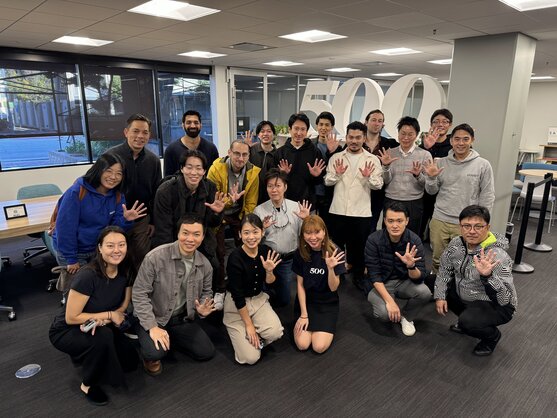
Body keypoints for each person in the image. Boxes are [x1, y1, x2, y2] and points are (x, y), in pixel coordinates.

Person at [49, 226, 138, 406]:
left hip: (101, 322)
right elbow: (71, 317)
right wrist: (109, 315)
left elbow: (123, 305)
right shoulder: (88, 275)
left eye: (121, 245)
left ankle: (85, 353)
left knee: (130, 363)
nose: (117, 250)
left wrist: (106, 319)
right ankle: (88, 384)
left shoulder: (127, 268)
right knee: (103, 338)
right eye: (110, 245)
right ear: (100, 248)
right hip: (67, 329)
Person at [133, 214, 217, 376]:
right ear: (178, 233)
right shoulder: (155, 257)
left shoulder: (205, 265)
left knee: (206, 352)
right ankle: (150, 348)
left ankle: (170, 338)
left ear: (202, 237)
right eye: (185, 233)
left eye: (196, 234)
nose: (190, 239)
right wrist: (152, 327)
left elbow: (207, 293)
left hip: (180, 319)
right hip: (154, 317)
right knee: (155, 353)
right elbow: (139, 294)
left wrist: (203, 308)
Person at [434, 205, 517, 356]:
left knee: (468, 322)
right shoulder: (456, 244)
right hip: (467, 295)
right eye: (466, 226)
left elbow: (505, 299)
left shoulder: (497, 255)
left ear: (488, 227)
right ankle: (467, 318)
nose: (472, 231)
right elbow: (444, 270)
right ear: (460, 227)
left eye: (478, 226)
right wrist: (440, 296)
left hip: (495, 304)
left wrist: (488, 277)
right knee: (431, 280)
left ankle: (491, 337)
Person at [151, 150, 225, 308]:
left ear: (204, 171)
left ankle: (206, 304)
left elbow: (211, 224)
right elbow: (163, 230)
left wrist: (217, 213)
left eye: (198, 168)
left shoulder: (210, 188)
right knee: (171, 272)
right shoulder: (166, 191)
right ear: (182, 169)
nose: (194, 172)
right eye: (189, 167)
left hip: (200, 241)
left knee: (214, 266)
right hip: (173, 240)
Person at [53, 153, 146, 275]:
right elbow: (65, 228)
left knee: (97, 284)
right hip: (74, 252)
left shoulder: (117, 195)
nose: (113, 177)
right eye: (109, 171)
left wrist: (126, 220)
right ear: (98, 171)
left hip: (98, 250)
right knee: (77, 285)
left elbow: (113, 229)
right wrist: (71, 258)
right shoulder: (77, 192)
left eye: (119, 173)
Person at [424, 123, 495, 273]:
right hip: (440, 219)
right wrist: (431, 178)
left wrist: (481, 222)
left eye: (465, 139)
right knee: (437, 259)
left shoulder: (483, 165)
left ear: (472, 140)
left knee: (463, 261)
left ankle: (459, 286)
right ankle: (439, 284)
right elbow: (431, 191)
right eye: (457, 139)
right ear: (451, 141)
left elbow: (487, 195)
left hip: (467, 222)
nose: (461, 143)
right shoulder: (440, 162)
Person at [325, 121, 383, 289]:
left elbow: (378, 185)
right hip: (338, 210)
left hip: (361, 211)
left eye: (358, 137)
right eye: (351, 137)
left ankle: (358, 276)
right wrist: (337, 174)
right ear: (346, 137)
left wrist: (368, 177)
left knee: (359, 247)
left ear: (364, 138)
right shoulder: (336, 157)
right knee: (336, 246)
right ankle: (338, 275)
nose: (354, 141)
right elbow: (327, 181)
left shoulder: (372, 159)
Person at [223, 214, 284, 365]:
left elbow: (271, 283)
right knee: (250, 358)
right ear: (240, 234)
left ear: (262, 232)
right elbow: (237, 296)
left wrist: (269, 272)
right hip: (236, 306)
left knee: (276, 332)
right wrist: (249, 325)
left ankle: (254, 338)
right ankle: (247, 333)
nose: (251, 237)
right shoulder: (235, 257)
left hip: (258, 299)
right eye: (246, 232)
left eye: (255, 232)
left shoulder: (266, 251)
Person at [364, 201, 430, 336]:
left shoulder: (414, 240)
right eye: (390, 221)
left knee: (425, 293)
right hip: (380, 284)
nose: (395, 225)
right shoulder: (373, 240)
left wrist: (411, 266)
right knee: (384, 314)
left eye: (399, 221)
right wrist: (390, 302)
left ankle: (406, 317)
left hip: (403, 282)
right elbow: (374, 275)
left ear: (407, 221)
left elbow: (420, 276)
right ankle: (391, 306)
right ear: (385, 221)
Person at [208, 140, 260, 302]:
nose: (240, 158)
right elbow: (214, 200)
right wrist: (231, 200)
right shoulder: (216, 169)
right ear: (229, 152)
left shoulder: (253, 172)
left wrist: (246, 225)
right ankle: (220, 289)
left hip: (239, 213)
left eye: (244, 154)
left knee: (247, 246)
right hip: (219, 213)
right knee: (219, 251)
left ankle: (245, 282)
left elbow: (251, 202)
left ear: (249, 156)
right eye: (237, 153)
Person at [106, 113, 162, 265]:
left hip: (141, 220)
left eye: (145, 132)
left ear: (149, 135)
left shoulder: (153, 161)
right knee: (116, 258)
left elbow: (156, 193)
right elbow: (100, 189)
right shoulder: (110, 156)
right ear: (126, 132)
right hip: (114, 219)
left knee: (142, 258)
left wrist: (153, 221)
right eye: (135, 131)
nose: (140, 136)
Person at [253, 169, 311, 307]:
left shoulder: (296, 207)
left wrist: (306, 219)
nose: (274, 190)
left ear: (285, 187)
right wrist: (263, 229)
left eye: (278, 185)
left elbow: (306, 235)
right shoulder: (259, 210)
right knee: (264, 293)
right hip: (267, 258)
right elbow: (253, 241)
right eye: (270, 186)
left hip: (287, 260)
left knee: (284, 300)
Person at [293, 215, 345, 354]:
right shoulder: (301, 252)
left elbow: (333, 288)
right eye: (308, 233)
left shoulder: (335, 252)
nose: (313, 237)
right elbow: (300, 285)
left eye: (317, 232)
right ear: (303, 234)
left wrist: (330, 269)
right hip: (307, 302)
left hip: (327, 303)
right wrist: (304, 314)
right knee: (302, 345)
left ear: (324, 232)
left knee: (318, 347)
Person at [378, 116, 432, 234]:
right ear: (398, 133)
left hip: (414, 202)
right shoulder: (390, 153)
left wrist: (418, 175)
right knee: (388, 235)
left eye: (410, 134)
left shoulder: (425, 155)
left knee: (412, 236)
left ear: (416, 135)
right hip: (391, 200)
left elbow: (428, 184)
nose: (406, 138)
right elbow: (386, 181)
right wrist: (385, 166)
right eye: (403, 133)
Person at [274, 113, 326, 209]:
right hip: (284, 204)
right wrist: (282, 175)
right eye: (296, 128)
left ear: (306, 131)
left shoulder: (315, 152)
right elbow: (274, 181)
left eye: (303, 129)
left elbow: (319, 182)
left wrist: (316, 176)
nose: (299, 133)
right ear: (290, 129)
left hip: (308, 205)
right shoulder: (280, 152)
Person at [419, 108, 454, 241]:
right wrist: (426, 147)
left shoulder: (453, 146)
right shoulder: (424, 145)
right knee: (419, 228)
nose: (440, 124)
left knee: (437, 234)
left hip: (445, 194)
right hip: (423, 192)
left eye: (445, 121)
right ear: (431, 124)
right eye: (436, 121)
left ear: (450, 125)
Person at [163, 110, 219, 177]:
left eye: (196, 122)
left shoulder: (211, 149)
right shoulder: (171, 150)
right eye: (188, 122)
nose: (193, 126)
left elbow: (216, 177)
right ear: (183, 125)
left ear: (201, 125)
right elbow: (167, 179)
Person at [311, 111, 336, 226]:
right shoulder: (309, 145)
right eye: (321, 124)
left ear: (332, 127)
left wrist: (332, 152)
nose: (323, 128)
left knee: (327, 226)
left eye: (327, 125)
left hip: (329, 194)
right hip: (312, 192)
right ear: (317, 126)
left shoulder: (337, 148)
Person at [245, 120, 277, 204]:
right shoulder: (251, 150)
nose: (265, 134)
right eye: (262, 131)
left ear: (273, 135)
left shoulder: (278, 154)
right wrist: (246, 148)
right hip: (251, 194)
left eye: (269, 131)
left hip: (270, 196)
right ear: (258, 135)